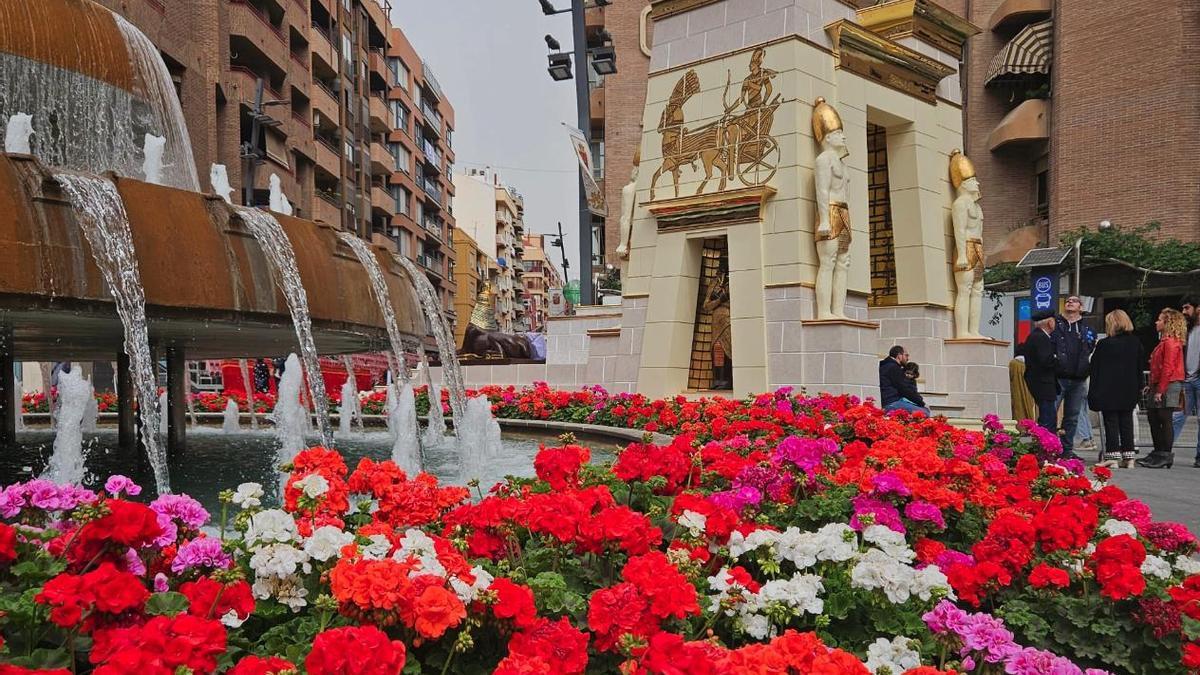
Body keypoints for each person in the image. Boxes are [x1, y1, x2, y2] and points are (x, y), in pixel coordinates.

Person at [1088, 310, 1143, 468]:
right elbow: (1139, 368)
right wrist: (1139, 387)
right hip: (1129, 389)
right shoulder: (1136, 343)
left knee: (1111, 422)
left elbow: (1095, 369)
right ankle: (1129, 457)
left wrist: (1094, 392)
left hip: (1108, 389)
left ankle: (1112, 456)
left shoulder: (1104, 344)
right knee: (1127, 422)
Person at [1137, 308, 1187, 469]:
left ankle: (1165, 453)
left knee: (1164, 418)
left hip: (1169, 383)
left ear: (1168, 323)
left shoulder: (1171, 343)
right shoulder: (1164, 342)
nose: (1156, 322)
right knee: (1153, 417)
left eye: (1160, 320)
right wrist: (1151, 385)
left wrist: (1160, 390)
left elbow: (1168, 367)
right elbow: (1158, 368)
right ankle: (1158, 451)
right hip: (1160, 383)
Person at [1053, 296, 1096, 458]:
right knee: (1050, 413)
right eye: (1068, 301)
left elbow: (1090, 347)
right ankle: (1046, 447)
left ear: (1081, 306)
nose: (1070, 302)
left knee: (1072, 416)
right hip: (1058, 377)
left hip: (1078, 378)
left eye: (1074, 301)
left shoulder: (1086, 328)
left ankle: (1067, 450)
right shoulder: (1056, 324)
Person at [1020, 309, 1060, 439]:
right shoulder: (1040, 337)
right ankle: (1045, 447)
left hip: (1042, 382)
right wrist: (1058, 359)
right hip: (1043, 383)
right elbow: (1045, 361)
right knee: (1047, 420)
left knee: (1047, 417)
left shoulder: (1037, 336)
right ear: (1050, 322)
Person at [1171, 295, 1200, 468]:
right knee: (1177, 416)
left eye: (1187, 308)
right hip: (1187, 379)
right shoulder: (1187, 330)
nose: (1184, 312)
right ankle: (1164, 450)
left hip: (1196, 378)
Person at [879, 346, 929, 416]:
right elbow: (904, 389)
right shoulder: (893, 368)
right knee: (925, 412)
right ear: (899, 355)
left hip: (889, 402)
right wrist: (922, 403)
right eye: (906, 355)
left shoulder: (885, 365)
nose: (908, 359)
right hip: (892, 403)